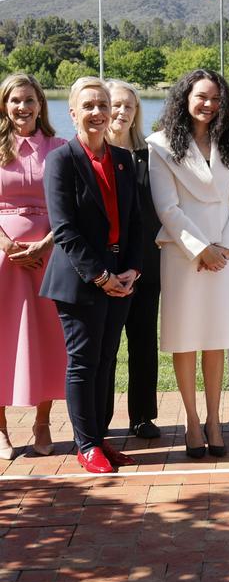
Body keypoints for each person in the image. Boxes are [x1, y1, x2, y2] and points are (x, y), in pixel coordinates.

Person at [40, 77, 142, 473]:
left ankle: (100, 438)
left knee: (106, 359)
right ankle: (86, 446)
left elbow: (135, 220)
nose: (98, 112)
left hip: (121, 278)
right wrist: (102, 277)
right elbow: (64, 229)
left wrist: (131, 269)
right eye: (89, 106)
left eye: (103, 104)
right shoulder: (61, 161)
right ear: (73, 112)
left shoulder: (123, 159)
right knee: (83, 363)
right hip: (81, 282)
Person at [148, 69, 229, 459]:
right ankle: (191, 420)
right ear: (185, 97)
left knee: (216, 339)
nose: (208, 105)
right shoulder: (159, 145)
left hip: (222, 256)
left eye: (216, 98)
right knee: (186, 339)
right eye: (201, 97)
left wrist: (223, 247)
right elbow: (167, 208)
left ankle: (213, 419)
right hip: (182, 255)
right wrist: (200, 249)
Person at [0, 74, 66, 461]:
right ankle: (2, 429)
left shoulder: (58, 148)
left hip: (49, 256)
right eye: (14, 101)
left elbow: (70, 204)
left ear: (41, 104)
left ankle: (43, 423)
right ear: (4, 105)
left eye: (29, 100)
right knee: (3, 341)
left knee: (48, 338)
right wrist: (5, 242)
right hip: (3, 260)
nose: (22, 107)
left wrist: (47, 242)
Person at [103, 79, 162, 440]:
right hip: (105, 269)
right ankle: (100, 417)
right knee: (106, 346)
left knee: (143, 343)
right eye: (115, 104)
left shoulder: (150, 155)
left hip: (145, 265)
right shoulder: (92, 154)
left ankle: (143, 416)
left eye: (129, 106)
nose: (122, 111)